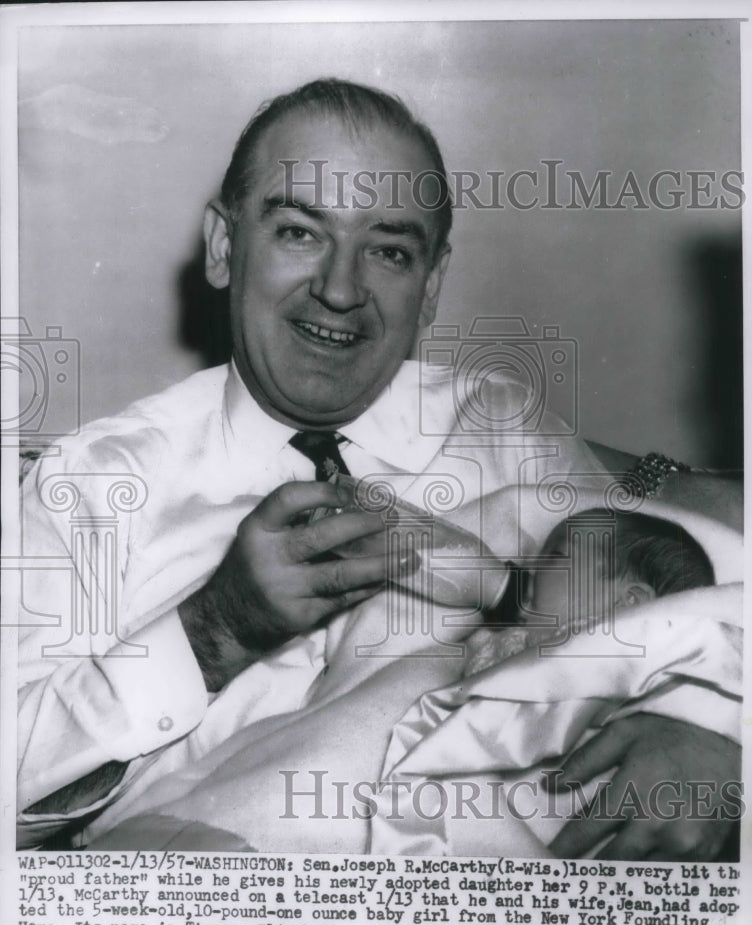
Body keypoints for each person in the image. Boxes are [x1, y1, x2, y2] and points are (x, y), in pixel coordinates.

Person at [17, 78, 740, 858]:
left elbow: (666, 588)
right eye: (300, 232)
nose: (338, 289)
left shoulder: (497, 423)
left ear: (429, 287)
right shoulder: (93, 485)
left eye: (389, 250)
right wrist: (215, 631)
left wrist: (713, 733)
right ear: (226, 248)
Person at [466, 507, 717, 671]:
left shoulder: (604, 658)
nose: (530, 567)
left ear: (630, 601)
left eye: (555, 556)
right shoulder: (515, 639)